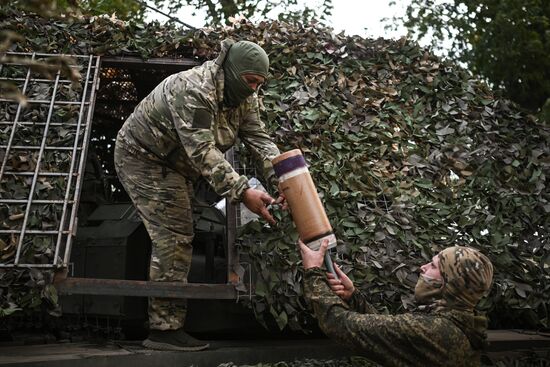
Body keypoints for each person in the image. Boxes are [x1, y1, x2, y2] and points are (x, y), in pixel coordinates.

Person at [114, 39, 282, 351]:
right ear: (231, 72)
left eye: (260, 83)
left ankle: (166, 322)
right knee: (175, 234)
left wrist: (283, 178)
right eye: (249, 81)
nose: (253, 89)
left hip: (178, 164)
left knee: (181, 230)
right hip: (144, 158)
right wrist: (243, 191)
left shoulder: (245, 96)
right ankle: (164, 330)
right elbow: (202, 151)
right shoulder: (193, 89)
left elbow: (259, 139)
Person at [299, 240, 494, 367]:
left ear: (448, 283)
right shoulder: (459, 323)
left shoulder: (433, 330)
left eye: (433, 266)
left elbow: (341, 324)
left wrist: (313, 271)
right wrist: (353, 296)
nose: (422, 267)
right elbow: (389, 333)